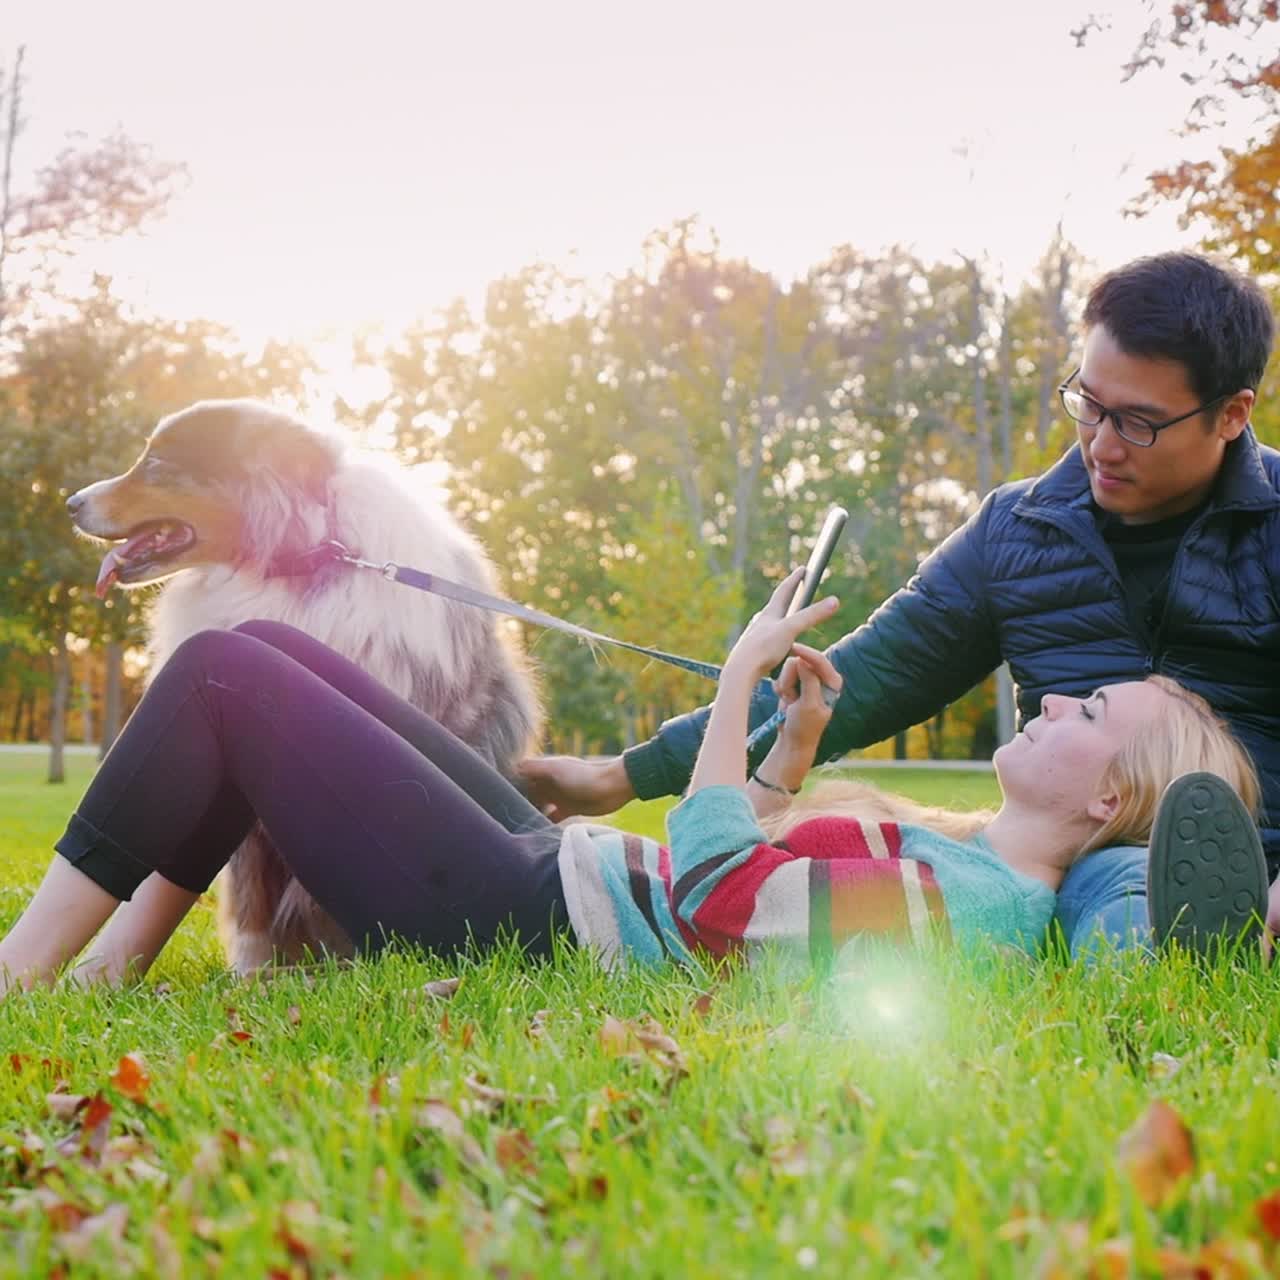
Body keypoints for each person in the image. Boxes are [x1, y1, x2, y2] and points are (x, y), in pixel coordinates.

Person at [520, 251, 1280, 956]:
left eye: (1139, 423)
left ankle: (1214, 939)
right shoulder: (1017, 533)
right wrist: (621, 775)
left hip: (1252, 861)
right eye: (1088, 402)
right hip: (1077, 857)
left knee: (1135, 898)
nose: (1101, 444)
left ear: (1232, 414)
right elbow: (857, 682)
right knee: (1104, 886)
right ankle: (1178, 949)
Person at [0, 571, 1261, 993]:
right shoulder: (967, 868)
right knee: (273, 652)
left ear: (1108, 803)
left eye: (1089, 709)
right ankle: (105, 971)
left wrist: (732, 687)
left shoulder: (971, 908)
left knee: (225, 669)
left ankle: (23, 974)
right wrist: (787, 749)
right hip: (568, 878)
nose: (1051, 695)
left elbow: (714, 898)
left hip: (527, 912)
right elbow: (761, 882)